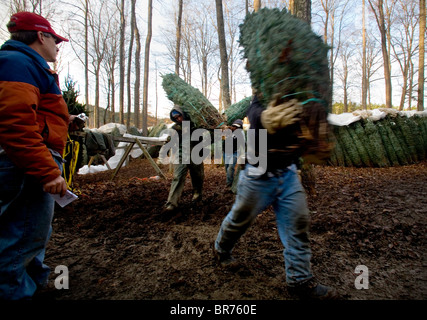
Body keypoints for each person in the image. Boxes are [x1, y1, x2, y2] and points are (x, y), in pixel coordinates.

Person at [213, 94, 338, 300]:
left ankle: (300, 280)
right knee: (239, 219)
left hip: (287, 174)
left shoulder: (299, 96)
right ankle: (221, 248)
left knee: (297, 223)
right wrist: (266, 118)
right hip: (257, 175)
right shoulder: (262, 94)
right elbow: (254, 114)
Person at [0, 11, 70, 300]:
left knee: (32, 230)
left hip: (30, 161)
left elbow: (32, 116)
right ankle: (14, 292)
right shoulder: (17, 63)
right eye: (55, 39)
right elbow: (14, 125)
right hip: (23, 165)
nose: (58, 45)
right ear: (41, 36)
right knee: (22, 233)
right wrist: (48, 171)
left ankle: (32, 280)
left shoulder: (26, 65)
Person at [163, 106, 204, 212]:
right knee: (177, 176)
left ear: (183, 114)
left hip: (196, 154)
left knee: (198, 176)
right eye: (176, 118)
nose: (178, 119)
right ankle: (172, 203)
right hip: (180, 155)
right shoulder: (175, 128)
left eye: (179, 116)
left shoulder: (196, 125)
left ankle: (197, 195)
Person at [223, 119, 245, 188]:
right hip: (225, 152)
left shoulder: (241, 133)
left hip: (234, 153)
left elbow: (243, 144)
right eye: (234, 126)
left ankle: (229, 183)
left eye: (237, 127)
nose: (235, 127)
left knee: (230, 167)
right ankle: (229, 180)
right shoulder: (228, 131)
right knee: (227, 168)